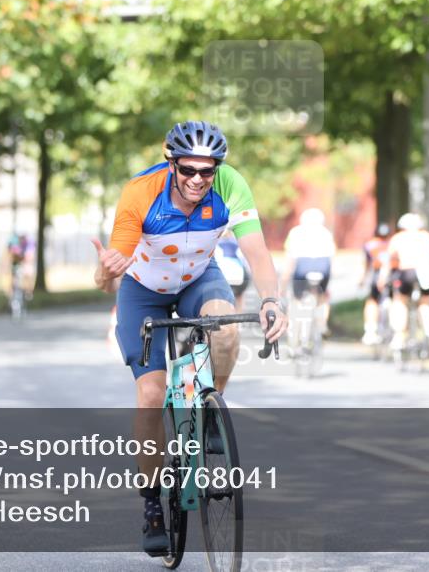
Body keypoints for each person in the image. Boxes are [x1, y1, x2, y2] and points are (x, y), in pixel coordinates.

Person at [91, 120, 288, 556]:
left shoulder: (231, 185)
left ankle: (209, 411)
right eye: (189, 170)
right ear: (172, 164)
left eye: (208, 170)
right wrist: (106, 271)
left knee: (226, 327)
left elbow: (256, 250)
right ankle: (152, 506)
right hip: (143, 290)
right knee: (151, 394)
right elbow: (108, 278)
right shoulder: (140, 193)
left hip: (198, 279)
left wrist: (272, 299)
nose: (199, 179)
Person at [378, 213, 429, 354]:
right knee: (427, 301)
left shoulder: (398, 238)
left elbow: (388, 261)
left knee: (399, 301)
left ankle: (399, 336)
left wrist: (382, 278)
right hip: (427, 272)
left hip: (408, 271)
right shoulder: (427, 237)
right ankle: (427, 330)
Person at [281, 208, 336, 331]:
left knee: (296, 298)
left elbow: (290, 259)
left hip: (303, 266)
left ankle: (293, 327)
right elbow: (332, 258)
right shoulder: (326, 233)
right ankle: (322, 324)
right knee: (323, 296)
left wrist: (283, 285)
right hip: (323, 266)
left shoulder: (295, 232)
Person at [361, 223, 391, 345]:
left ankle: (370, 330)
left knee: (372, 301)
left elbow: (367, 264)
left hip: (377, 274)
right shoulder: (392, 243)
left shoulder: (370, 245)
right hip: (392, 275)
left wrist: (362, 279)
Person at [214, 229, 251, 312]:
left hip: (224, 277)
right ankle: (239, 318)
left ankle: (223, 317)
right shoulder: (238, 244)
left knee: (221, 298)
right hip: (239, 277)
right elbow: (245, 261)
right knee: (239, 296)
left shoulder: (216, 244)